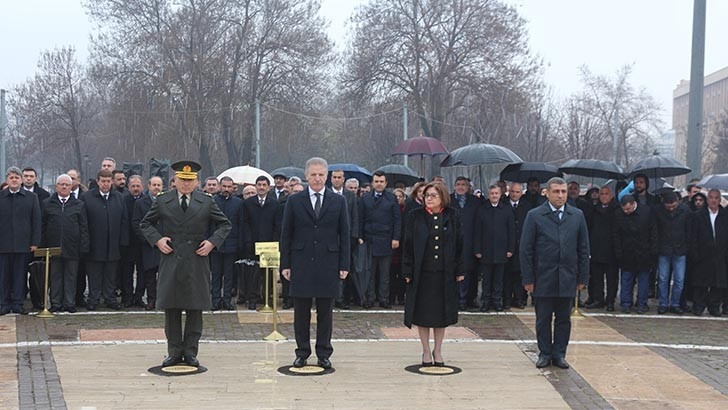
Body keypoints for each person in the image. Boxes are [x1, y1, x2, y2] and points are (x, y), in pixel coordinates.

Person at [140, 160, 231, 367]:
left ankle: (190, 351)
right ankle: (173, 351)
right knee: (171, 308)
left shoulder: (206, 201)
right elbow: (146, 223)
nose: (186, 184)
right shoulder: (164, 200)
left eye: (190, 181)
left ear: (197, 182)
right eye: (182, 180)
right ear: (175, 181)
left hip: (196, 259)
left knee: (194, 307)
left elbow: (224, 224)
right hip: (171, 257)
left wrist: (212, 242)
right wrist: (157, 239)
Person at [280, 157, 350, 369]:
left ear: (327, 176)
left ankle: (323, 352)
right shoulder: (294, 200)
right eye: (313, 175)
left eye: (321, 174)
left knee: (325, 312)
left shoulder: (338, 201)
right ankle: (302, 352)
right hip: (301, 262)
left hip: (329, 262)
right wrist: (286, 264)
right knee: (300, 312)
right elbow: (286, 235)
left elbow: (344, 234)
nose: (317, 178)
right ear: (306, 176)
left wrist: (344, 265)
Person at [520, 177, 590, 369]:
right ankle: (545, 353)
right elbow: (526, 249)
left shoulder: (577, 216)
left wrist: (583, 277)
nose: (560, 195)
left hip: (568, 276)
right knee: (543, 318)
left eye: (563, 192)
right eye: (556, 191)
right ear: (547, 193)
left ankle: (559, 353)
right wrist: (528, 278)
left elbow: (583, 248)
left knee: (563, 319)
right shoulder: (535, 216)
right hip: (543, 277)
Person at [402, 182, 464, 366]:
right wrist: (407, 270)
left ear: (442, 197)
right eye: (427, 195)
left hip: (444, 274)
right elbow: (408, 245)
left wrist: (460, 269)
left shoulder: (452, 216)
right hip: (422, 274)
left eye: (433, 196)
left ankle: (438, 350)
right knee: (423, 315)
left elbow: (460, 243)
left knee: (440, 316)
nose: (428, 199)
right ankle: (426, 351)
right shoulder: (415, 216)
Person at [81, 169, 129, 311]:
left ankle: (110, 298)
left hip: (113, 244)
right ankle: (93, 299)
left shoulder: (119, 198)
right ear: (98, 181)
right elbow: (83, 223)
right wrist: (85, 243)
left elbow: (124, 222)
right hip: (94, 243)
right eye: (103, 181)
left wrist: (123, 242)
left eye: (108, 181)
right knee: (94, 274)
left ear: (112, 182)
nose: (106, 184)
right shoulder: (87, 198)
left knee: (110, 274)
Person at [41, 174, 89, 313]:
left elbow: (84, 227)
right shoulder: (47, 204)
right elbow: (43, 226)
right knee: (55, 277)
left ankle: (69, 303)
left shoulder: (79, 205)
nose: (64, 187)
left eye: (67, 185)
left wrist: (83, 246)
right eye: (61, 184)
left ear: (71, 187)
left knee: (71, 277)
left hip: (72, 248)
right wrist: (43, 246)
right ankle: (55, 303)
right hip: (53, 247)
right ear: (56, 186)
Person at [0, 167, 42, 315]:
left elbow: (36, 221)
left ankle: (18, 303)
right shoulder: (1, 196)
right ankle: (4, 303)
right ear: (7, 180)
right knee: (3, 276)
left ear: (21, 180)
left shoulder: (31, 198)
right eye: (11, 177)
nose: (14, 180)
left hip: (23, 244)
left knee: (20, 275)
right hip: (3, 245)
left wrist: (35, 242)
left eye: (17, 178)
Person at [358, 170, 401, 309]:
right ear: (372, 183)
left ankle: (384, 299)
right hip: (369, 239)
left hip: (386, 240)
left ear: (386, 183)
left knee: (385, 273)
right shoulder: (365, 198)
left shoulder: (391, 198)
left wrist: (396, 238)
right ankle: (370, 299)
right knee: (369, 272)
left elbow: (397, 220)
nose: (379, 184)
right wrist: (360, 237)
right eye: (376, 181)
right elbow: (360, 219)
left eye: (381, 181)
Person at [613, 195, 656, 314]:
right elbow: (616, 234)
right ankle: (625, 303)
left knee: (643, 280)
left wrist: (653, 250)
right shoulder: (618, 214)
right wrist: (619, 251)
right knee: (626, 279)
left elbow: (653, 231)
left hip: (644, 252)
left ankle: (642, 303)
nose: (626, 212)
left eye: (628, 209)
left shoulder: (646, 211)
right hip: (627, 252)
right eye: (624, 210)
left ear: (633, 204)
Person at [474, 185, 515, 312]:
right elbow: (477, 231)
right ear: (488, 194)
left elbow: (511, 231)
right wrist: (477, 249)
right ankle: (485, 301)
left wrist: (510, 249)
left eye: (496, 193)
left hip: (501, 250)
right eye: (492, 193)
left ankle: (497, 301)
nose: (494, 196)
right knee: (486, 279)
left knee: (499, 279)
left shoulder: (506, 210)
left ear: (500, 194)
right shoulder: (482, 209)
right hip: (486, 250)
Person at [688, 189, 728, 316]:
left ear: (720, 199)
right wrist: (694, 252)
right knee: (701, 281)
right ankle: (698, 305)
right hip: (703, 253)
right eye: (711, 197)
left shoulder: (725, 215)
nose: (714, 200)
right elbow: (693, 236)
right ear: (708, 199)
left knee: (718, 282)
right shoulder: (698, 215)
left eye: (716, 198)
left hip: (720, 254)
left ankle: (714, 306)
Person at [211, 176, 245, 310]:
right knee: (216, 275)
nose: (226, 189)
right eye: (224, 186)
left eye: (229, 187)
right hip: (215, 244)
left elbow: (241, 224)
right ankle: (215, 300)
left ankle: (227, 299)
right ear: (219, 186)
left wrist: (240, 243)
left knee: (229, 275)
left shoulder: (238, 203)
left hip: (232, 244)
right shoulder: (212, 202)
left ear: (233, 188)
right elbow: (208, 223)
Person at [654, 191, 689, 314]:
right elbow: (655, 230)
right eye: (668, 207)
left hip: (680, 249)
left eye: (673, 206)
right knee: (663, 279)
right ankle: (663, 303)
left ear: (678, 202)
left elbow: (688, 230)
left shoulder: (685, 211)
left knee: (679, 279)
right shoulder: (658, 211)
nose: (671, 209)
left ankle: (675, 303)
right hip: (664, 249)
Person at [131, 176, 164, 310]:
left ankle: (162, 300)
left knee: (163, 275)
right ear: (149, 186)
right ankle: (151, 300)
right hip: (148, 245)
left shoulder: (166, 202)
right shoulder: (141, 203)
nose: (156, 187)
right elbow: (136, 223)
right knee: (149, 275)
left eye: (159, 185)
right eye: (154, 185)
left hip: (165, 244)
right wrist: (149, 239)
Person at [451, 176, 481, 310]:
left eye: (464, 184)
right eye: (458, 184)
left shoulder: (475, 201)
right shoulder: (449, 200)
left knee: (469, 271)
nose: (461, 187)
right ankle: (455, 299)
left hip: (470, 241)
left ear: (468, 187)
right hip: (452, 241)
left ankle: (467, 299)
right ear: (454, 186)